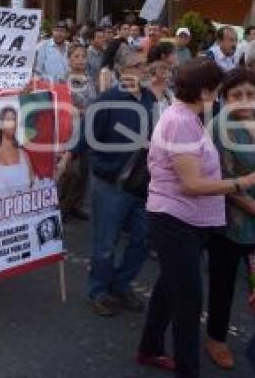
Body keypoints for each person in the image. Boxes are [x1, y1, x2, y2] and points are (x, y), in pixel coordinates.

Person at [137, 58, 255, 377]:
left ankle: (149, 348)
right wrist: (245, 181)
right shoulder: (180, 121)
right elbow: (192, 184)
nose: (219, 95)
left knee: (167, 289)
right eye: (218, 89)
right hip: (175, 221)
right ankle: (187, 370)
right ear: (204, 90)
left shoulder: (190, 115)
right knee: (188, 305)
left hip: (189, 221)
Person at [204, 68, 255, 370]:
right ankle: (216, 338)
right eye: (235, 95)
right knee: (223, 285)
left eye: (250, 94)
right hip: (231, 222)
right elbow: (228, 180)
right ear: (225, 98)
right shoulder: (218, 128)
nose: (243, 101)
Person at [82, 50, 155, 316]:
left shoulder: (150, 99)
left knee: (144, 237)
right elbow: (88, 138)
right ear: (122, 71)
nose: (144, 70)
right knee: (106, 242)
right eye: (138, 66)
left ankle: (121, 285)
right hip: (110, 186)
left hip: (143, 184)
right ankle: (99, 290)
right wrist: (105, 167)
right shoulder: (108, 100)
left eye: (145, 65)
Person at [58, 45, 95, 222]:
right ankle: (62, 206)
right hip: (71, 129)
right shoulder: (64, 81)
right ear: (69, 59)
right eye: (76, 56)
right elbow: (61, 104)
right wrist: (76, 111)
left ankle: (76, 205)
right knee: (72, 171)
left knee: (85, 169)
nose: (80, 59)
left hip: (89, 128)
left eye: (83, 56)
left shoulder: (90, 79)